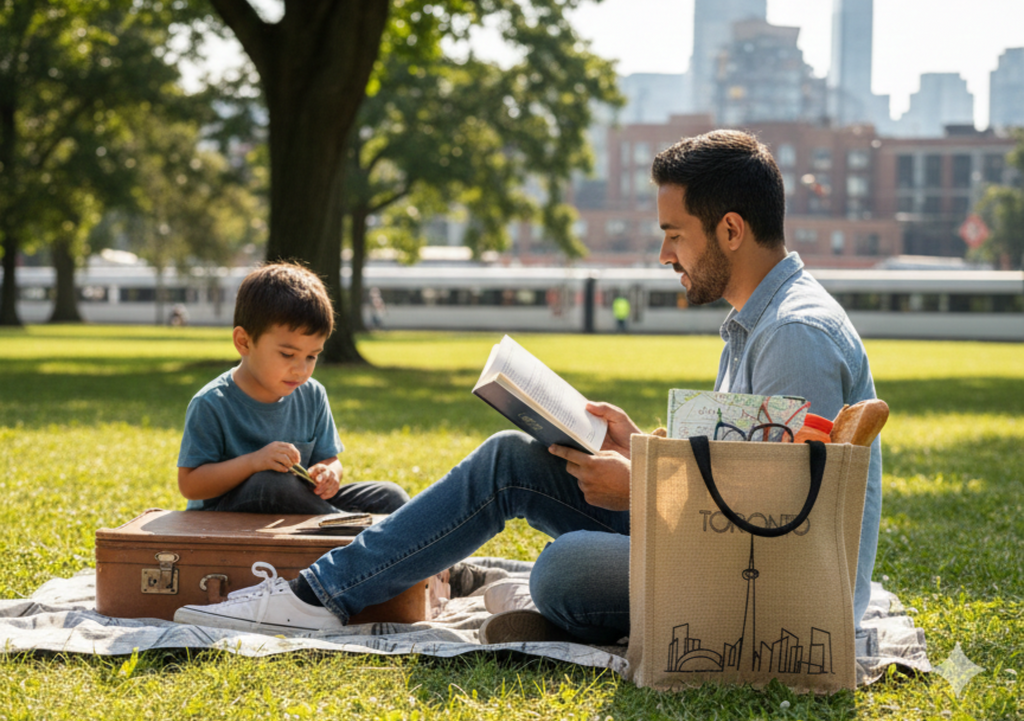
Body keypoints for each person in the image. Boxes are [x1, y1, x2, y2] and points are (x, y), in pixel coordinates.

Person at [173, 131, 882, 646]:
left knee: (564, 567)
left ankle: (516, 591)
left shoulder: (795, 334)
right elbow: (742, 471)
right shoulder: (755, 321)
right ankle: (317, 593)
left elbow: (782, 525)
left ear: (730, 229)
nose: (664, 254)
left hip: (768, 593)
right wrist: (641, 446)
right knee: (511, 458)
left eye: (674, 234)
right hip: (722, 549)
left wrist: (638, 484)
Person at [176, 262, 409, 516]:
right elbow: (190, 485)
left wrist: (328, 473)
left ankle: (347, 526)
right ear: (244, 342)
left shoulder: (312, 394)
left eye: (312, 356)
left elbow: (330, 458)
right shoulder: (212, 403)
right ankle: (345, 526)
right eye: (288, 354)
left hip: (299, 507)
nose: (301, 370)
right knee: (272, 484)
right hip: (226, 518)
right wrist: (254, 462)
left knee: (388, 495)